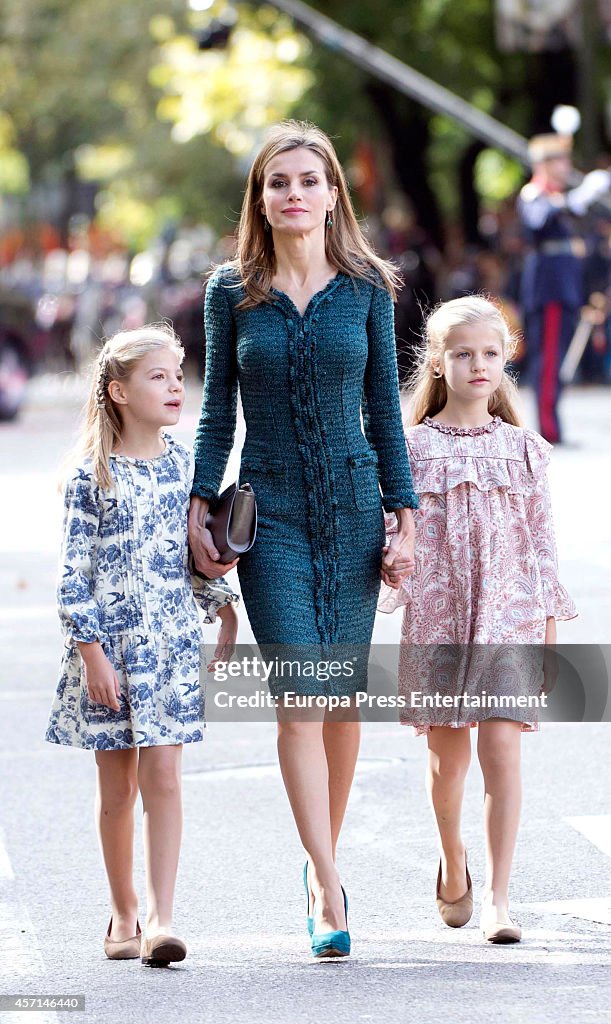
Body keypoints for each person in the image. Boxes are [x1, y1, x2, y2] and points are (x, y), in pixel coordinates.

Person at [188, 120, 418, 959]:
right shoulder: (230, 292)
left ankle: (321, 862)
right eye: (276, 181)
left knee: (341, 699)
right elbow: (217, 412)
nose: (292, 193)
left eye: (306, 180)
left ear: (331, 195)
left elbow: (383, 413)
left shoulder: (367, 288)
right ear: (261, 198)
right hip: (270, 513)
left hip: (354, 510)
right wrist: (197, 505)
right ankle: (325, 878)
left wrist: (407, 515)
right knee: (300, 696)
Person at [379, 296, 576, 943]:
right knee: (447, 760)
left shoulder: (524, 450)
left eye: (489, 353)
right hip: (438, 619)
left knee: (500, 751)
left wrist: (547, 631)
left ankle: (498, 897)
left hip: (508, 617)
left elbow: (540, 544)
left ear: (505, 359)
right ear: (437, 361)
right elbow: (392, 533)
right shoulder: (410, 448)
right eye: (461, 353)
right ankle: (451, 857)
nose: (476, 364)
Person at [45, 324, 238, 966]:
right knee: (118, 788)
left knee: (166, 778)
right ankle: (122, 913)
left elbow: (191, 558)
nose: (175, 386)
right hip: (112, 654)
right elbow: (73, 571)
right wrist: (90, 651)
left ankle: (161, 917)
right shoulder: (89, 476)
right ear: (118, 391)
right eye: (159, 376)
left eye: (178, 375)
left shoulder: (185, 467)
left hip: (172, 647)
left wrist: (223, 609)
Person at [517, 133, 610, 443]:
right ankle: (549, 429)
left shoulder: (556, 196)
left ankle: (553, 425)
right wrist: (572, 200)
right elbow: (536, 221)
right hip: (550, 289)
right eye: (561, 160)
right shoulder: (535, 194)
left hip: (564, 288)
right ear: (545, 163)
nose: (566, 166)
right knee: (549, 361)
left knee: (558, 361)